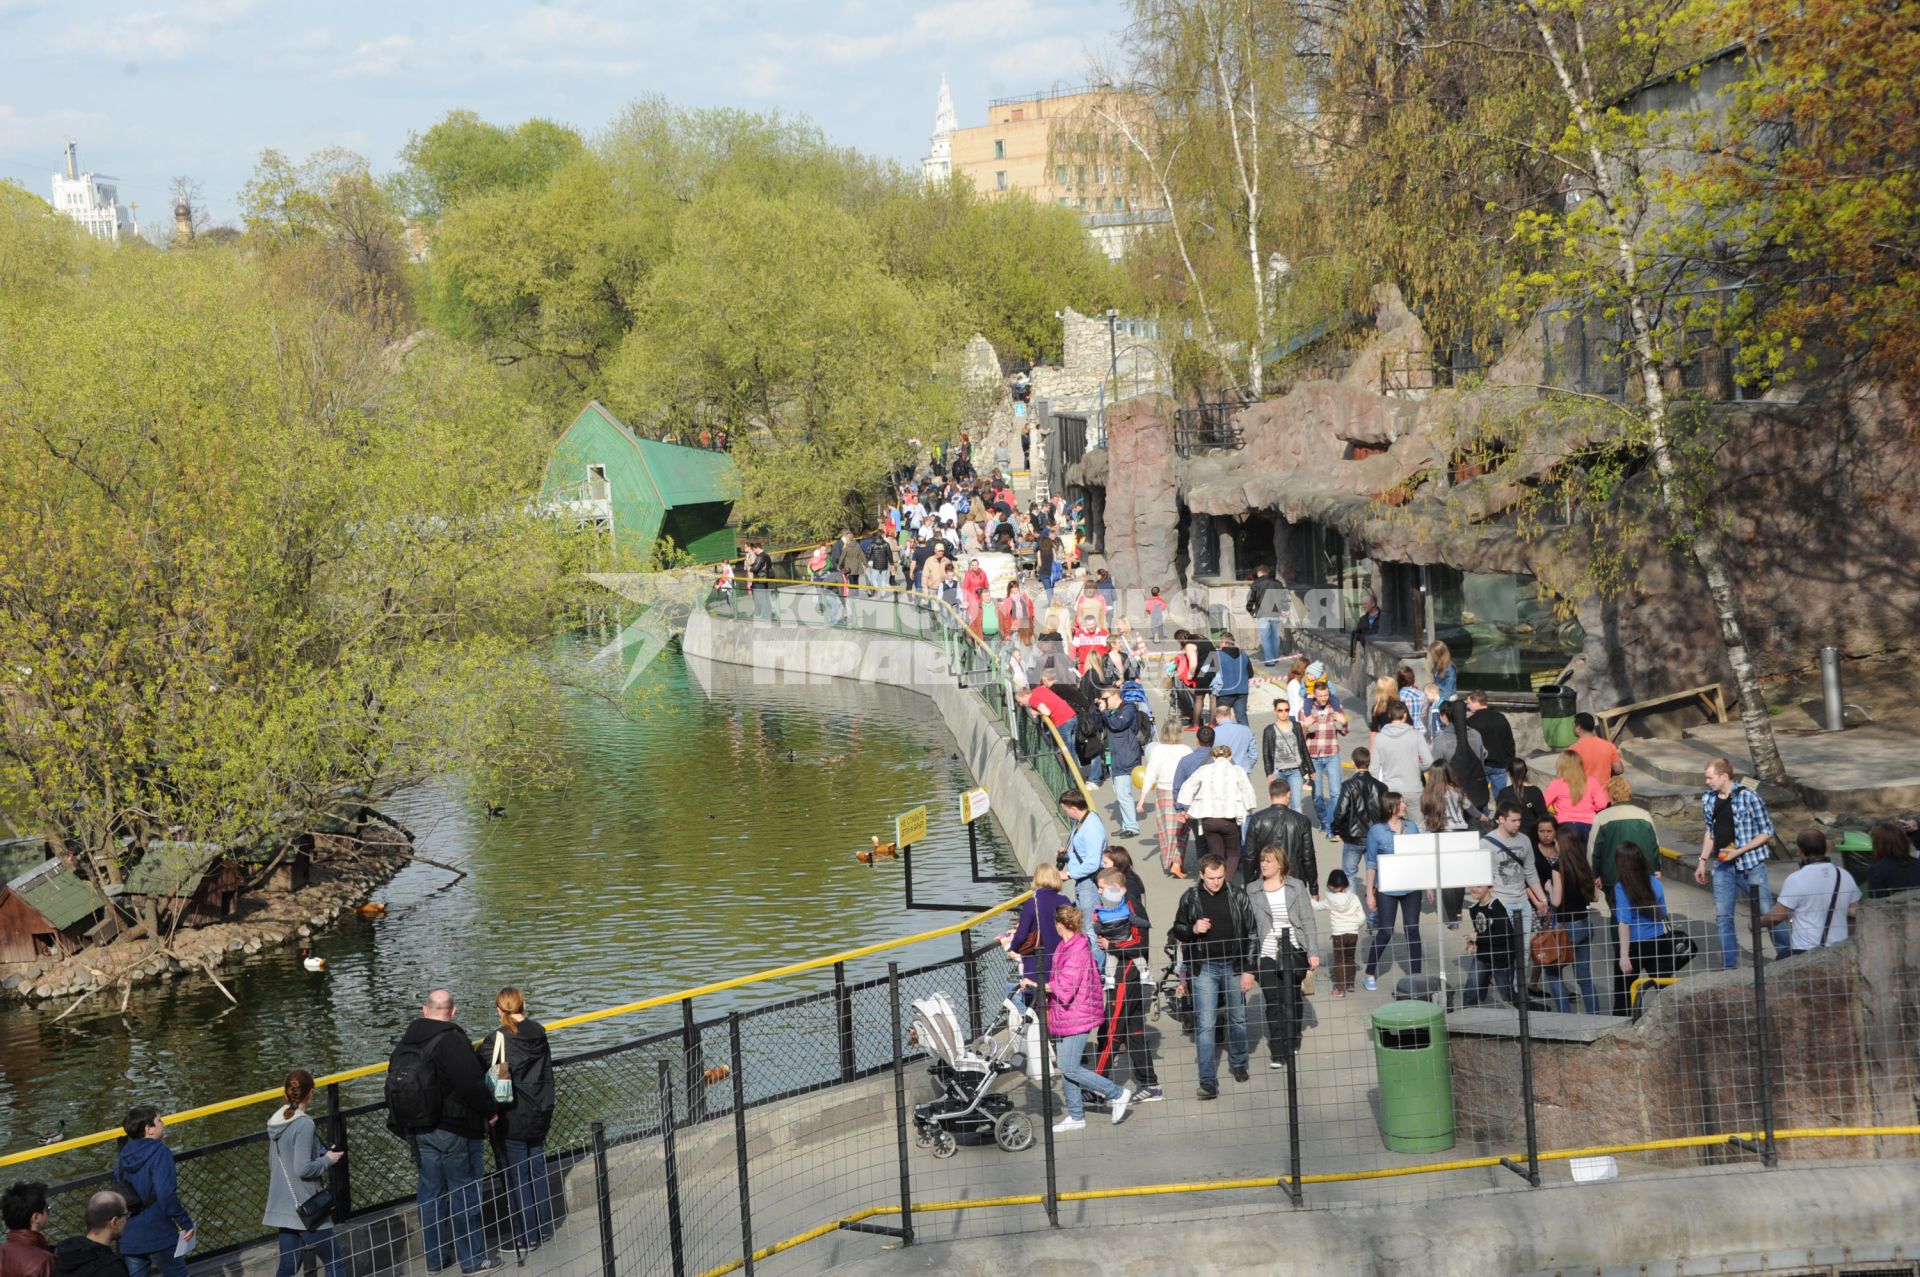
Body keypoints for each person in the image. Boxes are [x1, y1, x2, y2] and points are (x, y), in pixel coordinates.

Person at [390, 990, 501, 1275]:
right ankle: (473, 1259)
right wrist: (490, 1110)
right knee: (464, 1192)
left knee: (431, 1194)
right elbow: (471, 1084)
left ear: (424, 1009)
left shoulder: (405, 1042)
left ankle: (436, 1259)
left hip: (418, 1130)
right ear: (453, 1011)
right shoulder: (452, 1040)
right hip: (454, 1129)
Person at [1022, 906, 1134, 1132]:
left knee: (1069, 1067)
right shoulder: (1068, 945)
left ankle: (1117, 1093)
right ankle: (1076, 1115)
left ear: (1059, 924)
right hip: (1067, 1014)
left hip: (1076, 1014)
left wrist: (1035, 984)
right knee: (1067, 1067)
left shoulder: (1076, 950)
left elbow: (1066, 986)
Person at [1169, 855, 1258, 1100]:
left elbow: (1251, 933)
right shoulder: (1190, 897)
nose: (1216, 882)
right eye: (1211, 878)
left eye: (1220, 877)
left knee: (1238, 1017)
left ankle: (1238, 1062)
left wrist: (1249, 969)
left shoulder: (1238, 895)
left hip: (1234, 965)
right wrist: (1193, 929)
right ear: (1201, 874)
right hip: (1204, 968)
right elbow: (1177, 928)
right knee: (1205, 1025)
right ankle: (1208, 1081)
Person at [1695, 757, 1789, 968]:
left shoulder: (1749, 796)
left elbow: (1767, 831)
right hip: (1722, 867)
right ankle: (1729, 967)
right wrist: (1702, 861)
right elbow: (1709, 831)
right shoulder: (1708, 799)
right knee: (1723, 917)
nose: (1707, 782)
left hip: (1750, 865)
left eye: (1710, 778)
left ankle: (1787, 955)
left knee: (1767, 912)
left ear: (1723, 776)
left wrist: (1739, 851)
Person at [487, 989, 556, 1254]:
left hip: (512, 1114)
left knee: (518, 1177)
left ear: (499, 1009)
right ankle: (545, 1227)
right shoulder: (539, 1031)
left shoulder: (499, 1039)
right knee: (537, 1170)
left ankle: (526, 1237)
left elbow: (484, 1067)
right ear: (523, 1005)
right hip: (539, 1112)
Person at [263, 1070, 345, 1277]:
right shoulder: (304, 1124)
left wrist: (320, 1152)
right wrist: (328, 1160)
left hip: (284, 1206)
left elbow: (276, 1163)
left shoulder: (276, 1122)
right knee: (335, 1261)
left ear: (286, 1094)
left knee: (288, 1268)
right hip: (308, 1208)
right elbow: (303, 1169)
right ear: (311, 1094)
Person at [1247, 846, 1319, 1064]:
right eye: (1261, 860)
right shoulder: (1252, 889)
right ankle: (1278, 1049)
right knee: (1272, 1001)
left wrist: (1313, 952)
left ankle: (1293, 1037)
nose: (1263, 865)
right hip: (1266, 952)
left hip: (1293, 949)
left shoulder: (1295, 886)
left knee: (1291, 999)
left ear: (1280, 863)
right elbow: (1249, 926)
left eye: (1268, 861)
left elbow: (1307, 920)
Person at [112, 1108, 192, 1277]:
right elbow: (166, 1195)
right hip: (158, 1233)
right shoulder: (160, 1153)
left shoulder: (122, 1156)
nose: (163, 1124)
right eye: (159, 1121)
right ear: (149, 1129)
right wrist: (185, 1223)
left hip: (129, 1236)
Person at [1613, 845, 1691, 1015]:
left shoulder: (1621, 887)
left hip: (1634, 945)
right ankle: (1672, 1018)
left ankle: (1624, 1025)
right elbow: (1663, 913)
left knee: (1624, 993)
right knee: (1664, 988)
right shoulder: (1655, 882)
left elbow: (1624, 923)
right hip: (1658, 941)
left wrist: (1624, 956)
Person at [1481, 799, 1548, 997]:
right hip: (1501, 903)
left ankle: (1519, 992)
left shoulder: (1525, 840)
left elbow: (1530, 872)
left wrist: (1542, 899)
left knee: (1525, 948)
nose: (1518, 824)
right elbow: (1480, 876)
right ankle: (1505, 988)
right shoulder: (1485, 844)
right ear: (1500, 819)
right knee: (1504, 950)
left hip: (1523, 902)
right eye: (1513, 820)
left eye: (1519, 820)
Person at [1362, 792, 1427, 990]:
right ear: (1391, 807)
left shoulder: (1412, 828)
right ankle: (1370, 972)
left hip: (1411, 887)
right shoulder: (1376, 831)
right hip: (1387, 888)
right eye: (1401, 803)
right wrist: (1370, 892)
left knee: (1412, 929)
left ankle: (1416, 974)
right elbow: (1371, 862)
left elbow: (1420, 857)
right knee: (1386, 931)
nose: (1405, 806)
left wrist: (1428, 885)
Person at [1766, 831, 1862, 956]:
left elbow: (1777, 916)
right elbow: (1855, 913)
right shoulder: (1844, 875)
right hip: (1839, 949)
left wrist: (1757, 923)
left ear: (1799, 851)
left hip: (1805, 951)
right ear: (1826, 848)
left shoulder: (1796, 879)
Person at [1177, 746, 1259, 880]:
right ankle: (1225, 881)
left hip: (1208, 819)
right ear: (1230, 757)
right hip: (1229, 818)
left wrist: (1184, 806)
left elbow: (1188, 786)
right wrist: (1250, 809)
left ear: (1213, 757)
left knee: (1216, 854)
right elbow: (1247, 790)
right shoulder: (1237, 770)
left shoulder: (1204, 769)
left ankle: (1215, 880)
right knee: (1233, 853)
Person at [1545, 829, 1603, 1014]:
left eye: (1555, 842)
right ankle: (1594, 1015)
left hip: (1566, 926)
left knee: (1552, 972)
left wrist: (1549, 887)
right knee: (1584, 976)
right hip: (1585, 923)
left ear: (1561, 844)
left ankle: (1565, 1016)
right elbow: (1595, 897)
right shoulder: (1583, 865)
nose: (1554, 845)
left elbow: (1556, 901)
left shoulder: (1558, 867)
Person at [1001, 864, 1072, 1006]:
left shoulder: (1032, 903)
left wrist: (1014, 948)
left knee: (1032, 1003)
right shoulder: (1064, 901)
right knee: (1056, 1002)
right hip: (1061, 959)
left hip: (1036, 961)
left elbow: (1021, 935)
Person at [1421, 763, 1478, 928]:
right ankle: (1459, 911)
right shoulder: (1456, 791)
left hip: (1440, 834)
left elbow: (1425, 817)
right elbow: (1470, 808)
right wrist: (1483, 818)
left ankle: (1452, 917)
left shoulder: (1428, 794)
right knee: (1458, 875)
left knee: (1446, 879)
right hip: (1459, 834)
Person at [1589, 776, 1661, 904]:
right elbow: (1654, 845)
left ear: (1610, 795)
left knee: (1617, 915)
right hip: (1643, 875)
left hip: (1612, 877)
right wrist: (1656, 868)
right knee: (1641, 913)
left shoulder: (1602, 817)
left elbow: (1594, 849)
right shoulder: (1644, 815)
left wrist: (1595, 874)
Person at [1137, 719, 1194, 877]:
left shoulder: (1158, 750)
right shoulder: (1186, 749)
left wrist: (1142, 800)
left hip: (1163, 793)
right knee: (1182, 829)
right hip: (1182, 793)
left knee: (1166, 831)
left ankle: (1171, 861)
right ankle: (1177, 862)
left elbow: (1150, 775)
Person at [1331, 745, 1385, 909]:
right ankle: (1374, 914)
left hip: (1353, 837)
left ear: (1354, 763)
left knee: (1349, 874)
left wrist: (1336, 829)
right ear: (1369, 762)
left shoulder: (1348, 785)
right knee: (1375, 875)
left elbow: (1341, 811)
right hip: (1374, 837)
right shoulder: (1381, 787)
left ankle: (1354, 910)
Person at [1243, 777, 1318, 892]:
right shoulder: (1302, 821)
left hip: (1266, 877)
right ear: (1289, 794)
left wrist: (1248, 883)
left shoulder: (1257, 819)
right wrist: (1313, 888)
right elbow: (1308, 856)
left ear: (1270, 795)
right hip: (1294, 878)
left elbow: (1249, 855)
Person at [1057, 789, 1108, 936]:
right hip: (1083, 881)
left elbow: (1092, 863)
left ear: (1073, 809)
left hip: (1088, 883)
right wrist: (1066, 855)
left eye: (1065, 810)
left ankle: (1095, 959)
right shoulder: (1082, 821)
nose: (1065, 813)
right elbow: (1083, 849)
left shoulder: (1091, 827)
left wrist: (1068, 874)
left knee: (1089, 928)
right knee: (1085, 926)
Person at [1461, 884, 1519, 1008]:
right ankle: (1466, 1016)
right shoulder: (1474, 908)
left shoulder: (1497, 907)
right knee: (1471, 988)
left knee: (1507, 996)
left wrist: (1478, 938)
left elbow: (1505, 935)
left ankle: (1527, 1011)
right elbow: (1480, 930)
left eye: (1479, 886)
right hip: (1482, 957)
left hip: (1501, 959)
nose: (1474, 889)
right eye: (1472, 886)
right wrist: (1472, 943)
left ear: (1490, 888)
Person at [1098, 688, 1146, 838]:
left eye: (1106, 698)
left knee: (1124, 794)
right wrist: (1100, 711)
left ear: (1115, 696)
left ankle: (1132, 827)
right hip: (1116, 757)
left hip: (1126, 758)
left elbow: (1118, 725)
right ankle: (1126, 824)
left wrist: (1105, 712)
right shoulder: (1112, 711)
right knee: (1120, 793)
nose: (1104, 702)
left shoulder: (1128, 709)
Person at [1302, 684, 1349, 836]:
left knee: (1336, 792)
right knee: (1318, 796)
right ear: (1314, 695)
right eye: (1320, 695)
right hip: (1314, 756)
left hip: (1332, 754)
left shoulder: (1335, 707)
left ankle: (1330, 825)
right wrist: (1304, 726)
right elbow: (1300, 736)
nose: (1323, 698)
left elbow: (1344, 732)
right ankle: (1323, 819)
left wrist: (1345, 722)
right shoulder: (1306, 710)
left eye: (1326, 695)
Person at [1170, 725, 1216, 875]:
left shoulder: (1186, 761)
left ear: (1197, 741)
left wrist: (1180, 809)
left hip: (1195, 809)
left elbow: (1177, 786)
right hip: (1217, 806)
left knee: (1201, 841)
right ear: (1213, 741)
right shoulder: (1220, 760)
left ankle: (1205, 872)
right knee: (1218, 841)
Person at [1433, 699, 1490, 815]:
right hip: (1477, 790)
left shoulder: (1441, 740)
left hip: (1452, 797)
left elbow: (1436, 770)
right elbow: (1483, 756)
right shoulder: (1476, 734)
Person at [51, 1194, 128, 1277]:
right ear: (115, 1222)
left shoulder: (65, 1256)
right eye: (126, 1215)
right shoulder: (112, 1270)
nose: (127, 1220)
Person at [1370, 700, 1430, 800]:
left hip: (1390, 791)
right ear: (1405, 715)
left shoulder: (1380, 738)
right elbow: (1428, 762)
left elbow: (1374, 769)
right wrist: (1416, 768)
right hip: (1413, 789)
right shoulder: (1416, 735)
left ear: (1389, 716)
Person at [1543, 749, 1606, 844]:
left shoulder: (1556, 784)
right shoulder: (1592, 781)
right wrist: (1590, 809)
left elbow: (1544, 804)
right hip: (1588, 824)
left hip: (1565, 824)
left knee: (1567, 857)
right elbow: (1602, 804)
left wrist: (1555, 811)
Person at [1261, 699, 1310, 815]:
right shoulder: (1269, 730)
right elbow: (1266, 753)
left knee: (1296, 804)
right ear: (1275, 712)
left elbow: (1303, 748)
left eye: (1286, 710)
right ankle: (1283, 831)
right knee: (1280, 806)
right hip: (1278, 771)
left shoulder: (1296, 726)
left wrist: (1310, 770)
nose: (1284, 713)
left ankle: (1297, 832)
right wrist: (1269, 773)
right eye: (1280, 710)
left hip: (1295, 771)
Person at [1463, 691, 1517, 798]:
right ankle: (1502, 814)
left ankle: (1484, 815)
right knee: (1502, 797)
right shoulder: (1500, 717)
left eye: (1469, 703)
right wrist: (1510, 759)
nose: (1468, 706)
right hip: (1500, 764)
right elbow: (1509, 741)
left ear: (1476, 702)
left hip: (1481, 765)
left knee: (1479, 797)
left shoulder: (1471, 722)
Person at [1323, 869, 1366, 998]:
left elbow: (1317, 906)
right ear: (1346, 885)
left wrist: (1313, 900)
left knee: (1339, 961)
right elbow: (1362, 916)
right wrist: (1355, 925)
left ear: (1330, 885)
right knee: (1350, 959)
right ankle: (1350, 984)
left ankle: (1340, 988)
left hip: (1338, 934)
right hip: (1353, 934)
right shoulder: (1353, 898)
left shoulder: (1329, 899)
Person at [2, 1183, 53, 1277]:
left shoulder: (2, 1251)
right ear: (36, 1217)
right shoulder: (44, 1261)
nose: (49, 1212)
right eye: (48, 1208)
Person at [1570, 712, 1625, 798]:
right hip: (1605, 797)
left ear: (1578, 728)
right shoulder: (1609, 746)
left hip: (1584, 799)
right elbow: (1619, 770)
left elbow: (1569, 776)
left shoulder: (1573, 750)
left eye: (1573, 726)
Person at [1866, 822, 1920, 898]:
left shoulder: (1876, 870)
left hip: (1893, 909)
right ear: (1903, 841)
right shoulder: (1917, 863)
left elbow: (1876, 901)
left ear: (1877, 844)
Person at [1246, 565, 1287, 666]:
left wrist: (1250, 610)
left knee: (1266, 638)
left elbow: (1251, 598)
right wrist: (1284, 609)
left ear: (1260, 572)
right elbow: (1284, 597)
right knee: (1275, 637)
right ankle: (1275, 657)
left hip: (1263, 613)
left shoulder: (1256, 584)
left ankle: (1270, 661)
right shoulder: (1278, 584)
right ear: (1268, 572)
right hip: (1275, 613)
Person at [1496, 758, 1549, 834]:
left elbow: (1499, 818)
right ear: (1525, 772)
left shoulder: (1504, 793)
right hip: (1532, 835)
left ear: (1509, 773)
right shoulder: (1535, 791)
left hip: (1511, 835)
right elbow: (1544, 816)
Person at [1212, 633, 1253, 725]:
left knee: (1223, 717)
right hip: (1242, 690)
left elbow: (1209, 674)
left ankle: (1224, 737)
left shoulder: (1217, 655)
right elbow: (1250, 674)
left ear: (1223, 642)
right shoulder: (1244, 655)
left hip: (1224, 691)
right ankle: (1245, 737)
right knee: (1241, 717)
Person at [1207, 703, 1257, 777]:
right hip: (1243, 771)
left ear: (1217, 718)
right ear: (1231, 715)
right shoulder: (1246, 730)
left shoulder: (1213, 733)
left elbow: (1209, 754)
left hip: (1222, 773)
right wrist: (1248, 766)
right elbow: (1254, 754)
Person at [1396, 666, 1428, 740]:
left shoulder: (1398, 697)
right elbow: (1423, 715)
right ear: (1413, 679)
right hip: (1420, 732)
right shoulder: (1422, 695)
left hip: (1403, 733)